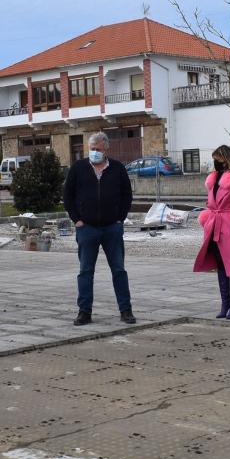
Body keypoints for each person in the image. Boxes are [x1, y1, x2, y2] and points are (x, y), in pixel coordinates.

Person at [62, 131, 135, 326]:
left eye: (98, 149)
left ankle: (126, 310)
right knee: (86, 271)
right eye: (92, 149)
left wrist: (120, 218)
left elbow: (127, 195)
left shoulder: (117, 168)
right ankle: (84, 312)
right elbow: (67, 196)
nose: (95, 152)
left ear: (106, 149)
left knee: (118, 270)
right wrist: (76, 219)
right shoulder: (78, 168)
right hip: (87, 228)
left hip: (112, 228)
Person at [192, 145, 230, 320]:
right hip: (215, 225)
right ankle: (225, 304)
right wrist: (207, 219)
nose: (215, 162)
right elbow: (211, 203)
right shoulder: (213, 178)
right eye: (214, 159)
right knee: (221, 265)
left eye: (217, 158)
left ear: (225, 159)